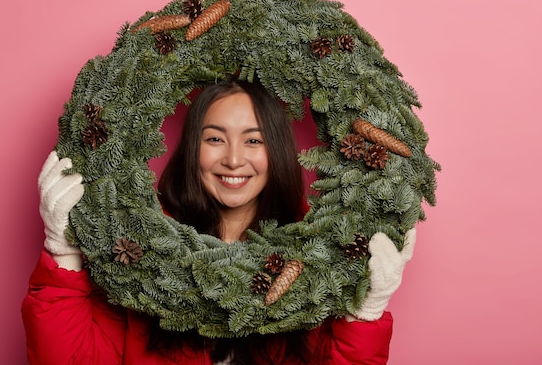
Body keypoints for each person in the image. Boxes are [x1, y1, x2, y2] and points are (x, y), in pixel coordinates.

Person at [22, 76, 416, 365]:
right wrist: (64, 256)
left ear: (275, 149)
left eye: (254, 140)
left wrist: (364, 314)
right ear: (194, 148)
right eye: (214, 139)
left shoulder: (315, 261)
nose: (232, 159)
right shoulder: (137, 252)